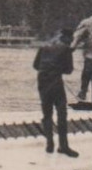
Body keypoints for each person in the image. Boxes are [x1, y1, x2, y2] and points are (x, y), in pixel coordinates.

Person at [34, 27, 80, 157]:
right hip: (55, 83)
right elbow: (69, 70)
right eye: (71, 39)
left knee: (47, 113)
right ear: (67, 38)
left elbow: (36, 66)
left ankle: (49, 144)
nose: (71, 42)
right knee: (61, 113)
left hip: (42, 82)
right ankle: (63, 146)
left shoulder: (44, 46)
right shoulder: (66, 49)